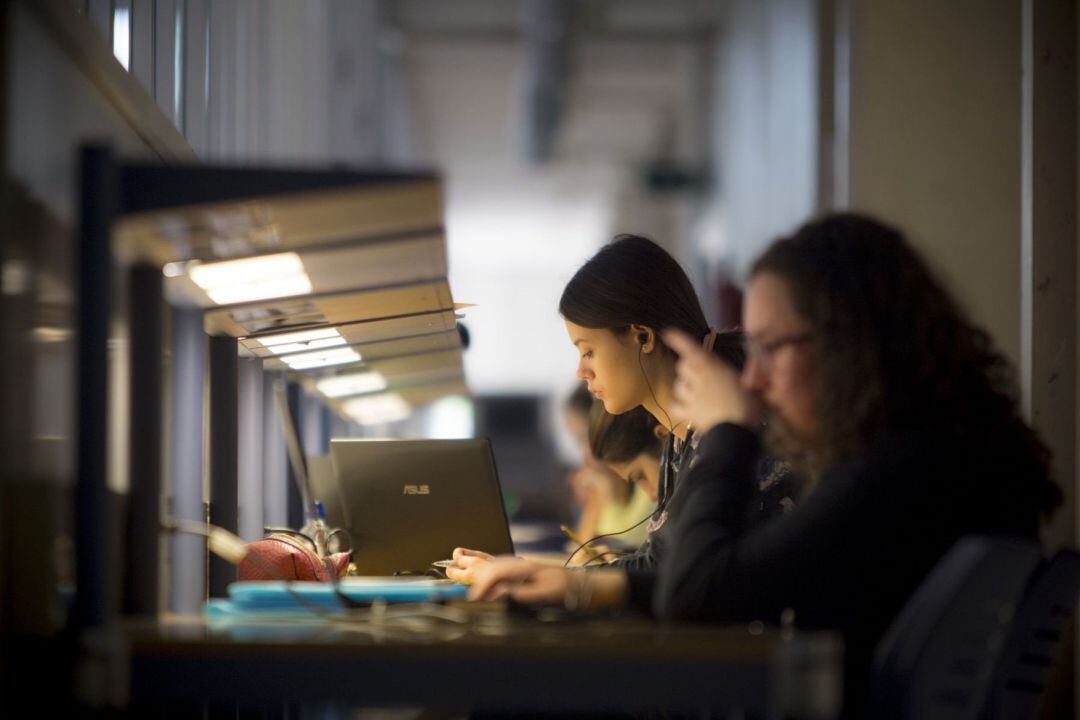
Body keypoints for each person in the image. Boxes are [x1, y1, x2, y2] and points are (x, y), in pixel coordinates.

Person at [467, 213, 1062, 713]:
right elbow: (733, 579)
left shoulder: (899, 470)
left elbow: (698, 594)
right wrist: (582, 587)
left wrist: (728, 429)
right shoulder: (930, 451)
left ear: (846, 339)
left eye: (770, 348)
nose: (751, 377)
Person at [448, 234, 794, 583]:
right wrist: (530, 573)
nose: (581, 371)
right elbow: (659, 564)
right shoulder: (681, 434)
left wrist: (544, 578)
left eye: (588, 351)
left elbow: (680, 577)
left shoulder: (719, 426)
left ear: (642, 337)